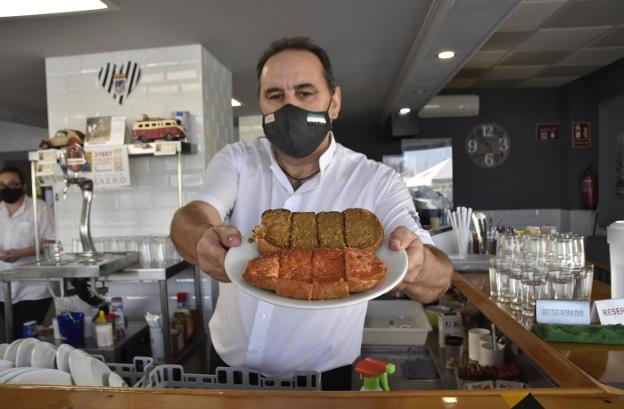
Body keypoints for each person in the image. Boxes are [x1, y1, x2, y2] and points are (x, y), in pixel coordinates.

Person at [170, 37, 453, 390]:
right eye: (275, 95)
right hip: (227, 376)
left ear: (334, 102)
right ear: (260, 103)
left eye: (305, 93)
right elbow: (191, 216)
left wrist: (418, 264)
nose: (290, 108)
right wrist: (200, 239)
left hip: (323, 386)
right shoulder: (237, 160)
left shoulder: (376, 181)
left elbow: (439, 281)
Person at [0, 166, 55, 340]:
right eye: (1, 185)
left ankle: (28, 366)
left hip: (33, 286)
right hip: (3, 286)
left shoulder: (39, 208)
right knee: (8, 336)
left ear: (23, 185)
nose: (6, 188)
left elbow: (51, 240)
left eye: (12, 184)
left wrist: (21, 253)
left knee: (25, 337)